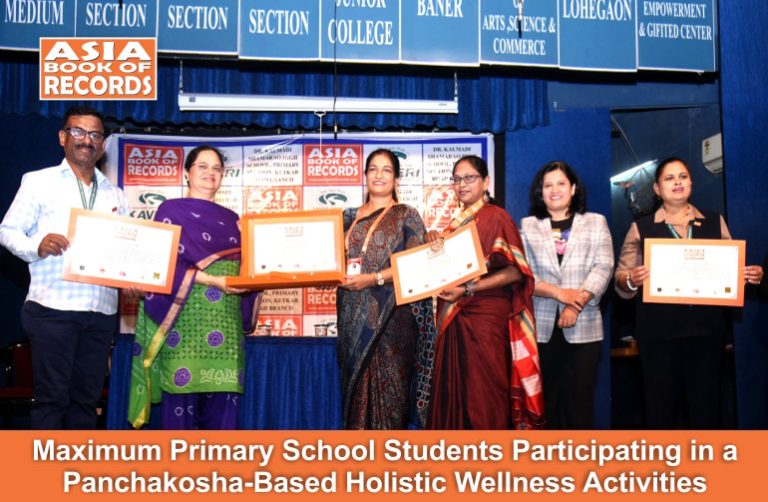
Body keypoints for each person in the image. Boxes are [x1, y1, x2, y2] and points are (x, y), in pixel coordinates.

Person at [0, 106, 129, 429]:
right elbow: (7, 231)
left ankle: (78, 476)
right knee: (52, 399)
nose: (87, 140)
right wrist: (37, 245)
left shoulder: (116, 195)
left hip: (101, 310)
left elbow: (126, 250)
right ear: (63, 137)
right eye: (78, 132)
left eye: (95, 134)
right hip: (53, 307)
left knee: (86, 402)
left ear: (103, 144)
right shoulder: (38, 182)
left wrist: (132, 276)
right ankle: (43, 478)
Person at [615, 157, 763, 429]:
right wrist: (632, 280)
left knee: (706, 411)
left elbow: (730, 269)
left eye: (683, 176)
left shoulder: (714, 222)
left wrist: (746, 275)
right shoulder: (641, 227)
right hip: (658, 336)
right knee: (660, 413)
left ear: (691, 183)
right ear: (658, 189)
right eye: (669, 178)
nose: (677, 182)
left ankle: (706, 470)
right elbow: (620, 279)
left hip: (706, 334)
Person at [128, 145, 260, 429]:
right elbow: (161, 267)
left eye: (217, 168)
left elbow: (248, 269)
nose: (210, 173)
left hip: (225, 323)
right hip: (183, 322)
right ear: (187, 172)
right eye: (202, 166)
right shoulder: (170, 210)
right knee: (181, 408)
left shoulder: (234, 220)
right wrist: (213, 280)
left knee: (223, 409)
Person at [426, 155, 544, 429]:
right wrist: (433, 245)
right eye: (457, 179)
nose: (462, 184)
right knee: (453, 395)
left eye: (470, 178)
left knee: (485, 396)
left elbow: (516, 272)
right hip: (454, 319)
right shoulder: (454, 226)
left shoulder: (496, 217)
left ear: (486, 181)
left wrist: (467, 289)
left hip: (485, 320)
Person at [336, 148, 434, 429]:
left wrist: (374, 278)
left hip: (393, 321)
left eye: (387, 170)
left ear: (396, 179)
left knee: (391, 402)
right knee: (354, 400)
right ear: (365, 176)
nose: (379, 175)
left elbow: (417, 264)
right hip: (352, 319)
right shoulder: (345, 218)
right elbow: (328, 259)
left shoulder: (406, 215)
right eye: (373, 169)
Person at [520, 161, 614, 429]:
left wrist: (577, 303)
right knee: (546, 405)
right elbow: (524, 274)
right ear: (540, 192)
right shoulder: (527, 226)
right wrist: (560, 294)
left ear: (573, 188)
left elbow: (604, 266)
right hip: (542, 329)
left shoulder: (596, 222)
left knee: (579, 406)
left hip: (584, 328)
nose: (554, 190)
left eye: (561, 183)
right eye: (547, 185)